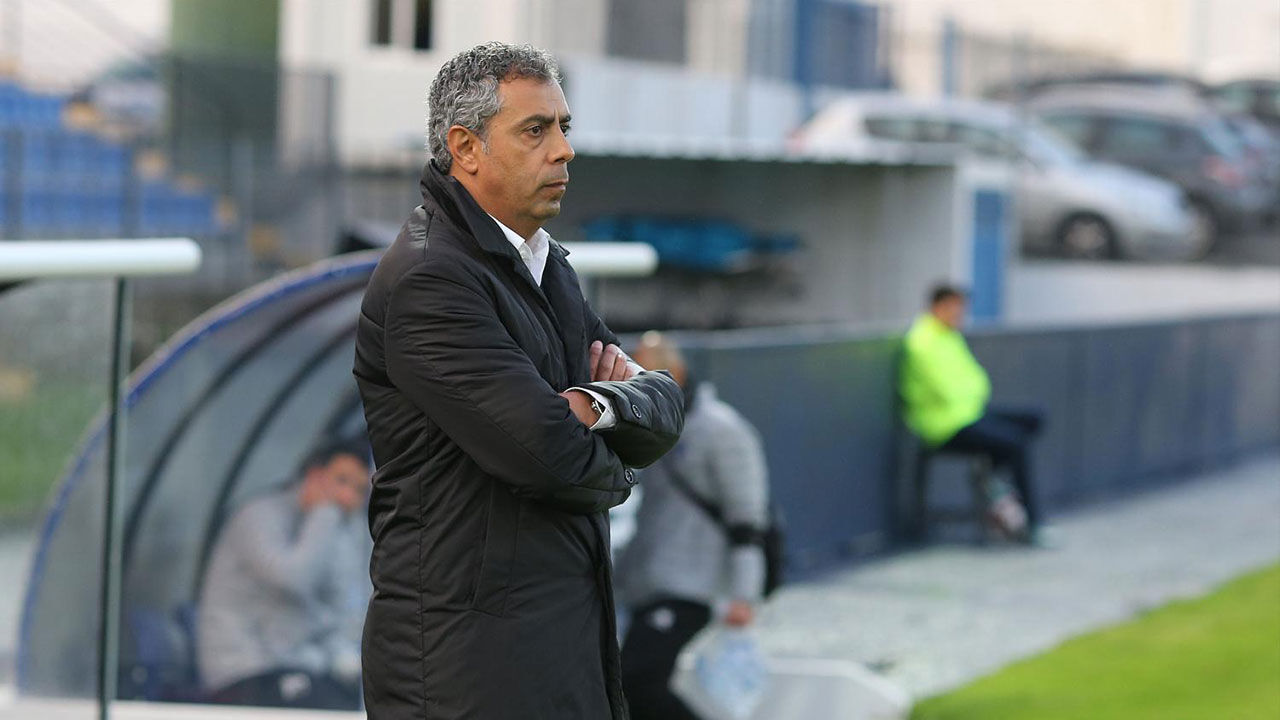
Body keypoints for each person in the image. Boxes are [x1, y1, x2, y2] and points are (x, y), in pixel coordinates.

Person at [352, 42, 685, 719]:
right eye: (536, 130)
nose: (564, 150)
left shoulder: (545, 263)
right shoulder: (431, 280)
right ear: (465, 147)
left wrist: (593, 407)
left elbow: (665, 404)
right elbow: (548, 455)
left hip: (559, 648)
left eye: (564, 127)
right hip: (469, 674)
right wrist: (616, 459)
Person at [615, 332, 770, 720]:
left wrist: (744, 594)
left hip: (694, 584)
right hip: (650, 580)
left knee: (637, 681)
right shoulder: (646, 428)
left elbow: (747, 517)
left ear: (676, 373)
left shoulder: (720, 429)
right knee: (629, 688)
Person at [197, 437, 373, 710]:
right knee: (332, 705)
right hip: (244, 670)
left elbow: (344, 601)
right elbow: (294, 581)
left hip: (299, 666)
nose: (348, 496)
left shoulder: (339, 528)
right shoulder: (259, 516)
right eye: (341, 481)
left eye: (359, 490)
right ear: (314, 475)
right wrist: (324, 514)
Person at [899, 283, 1046, 542]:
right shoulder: (921, 341)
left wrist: (970, 392)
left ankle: (993, 483)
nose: (960, 314)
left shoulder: (949, 336)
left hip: (968, 414)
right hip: (944, 426)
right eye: (955, 307)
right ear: (938, 307)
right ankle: (1031, 523)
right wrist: (970, 392)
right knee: (1015, 442)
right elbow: (948, 390)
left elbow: (978, 381)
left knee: (1033, 419)